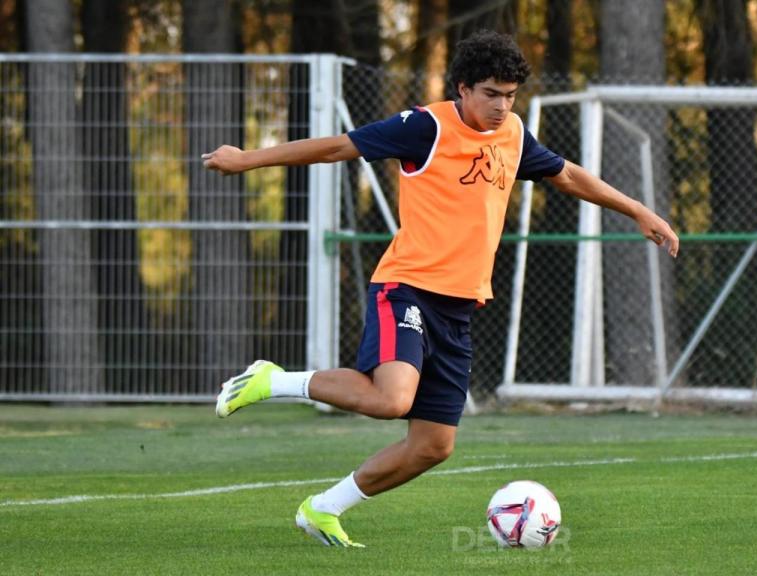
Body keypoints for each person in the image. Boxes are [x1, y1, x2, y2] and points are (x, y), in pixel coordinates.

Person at [202, 29, 678, 548]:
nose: (501, 106)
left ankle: (323, 509)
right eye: (490, 93)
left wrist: (638, 210)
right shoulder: (424, 127)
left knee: (432, 446)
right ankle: (272, 381)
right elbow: (340, 145)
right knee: (392, 398)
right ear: (462, 88)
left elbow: (566, 176)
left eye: (510, 95)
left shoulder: (513, 135)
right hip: (406, 286)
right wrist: (247, 158)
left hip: (458, 307)